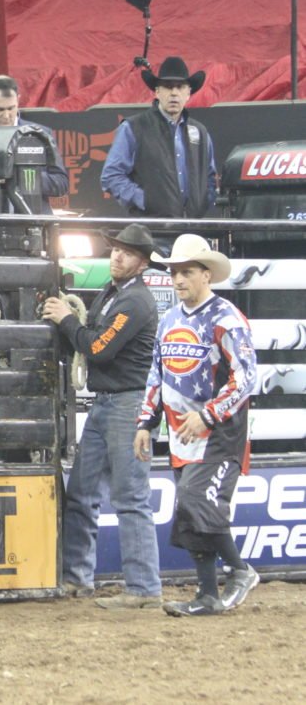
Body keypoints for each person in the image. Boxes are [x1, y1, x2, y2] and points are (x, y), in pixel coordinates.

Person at [136, 234, 258, 616]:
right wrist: (146, 422)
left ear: (206, 275)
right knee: (190, 513)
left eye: (187, 272)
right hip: (180, 431)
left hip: (219, 432)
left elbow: (246, 376)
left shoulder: (226, 318)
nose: (178, 280)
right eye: (174, 272)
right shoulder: (169, 320)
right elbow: (157, 375)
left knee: (196, 500)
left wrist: (208, 414)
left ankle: (239, 570)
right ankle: (207, 594)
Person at [42, 224, 162, 609]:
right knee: (82, 491)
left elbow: (98, 346)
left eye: (126, 253)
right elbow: (94, 336)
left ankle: (143, 587)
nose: (116, 256)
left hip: (127, 403)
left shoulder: (135, 303)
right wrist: (73, 324)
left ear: (141, 263)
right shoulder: (117, 294)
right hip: (110, 401)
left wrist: (65, 319)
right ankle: (78, 578)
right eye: (115, 250)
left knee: (129, 496)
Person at [102, 57, 218, 219]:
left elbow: (210, 177)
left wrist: (202, 203)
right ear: (157, 91)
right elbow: (112, 176)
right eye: (168, 86)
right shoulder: (134, 127)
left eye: (180, 87)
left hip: (191, 230)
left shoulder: (200, 132)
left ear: (188, 92)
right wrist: (145, 201)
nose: (174, 93)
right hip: (151, 231)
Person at [0, 75, 69, 213]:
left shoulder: (40, 135)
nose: (7, 115)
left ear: (18, 101)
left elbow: (61, 184)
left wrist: (23, 177)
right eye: (0, 110)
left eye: (11, 108)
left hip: (34, 222)